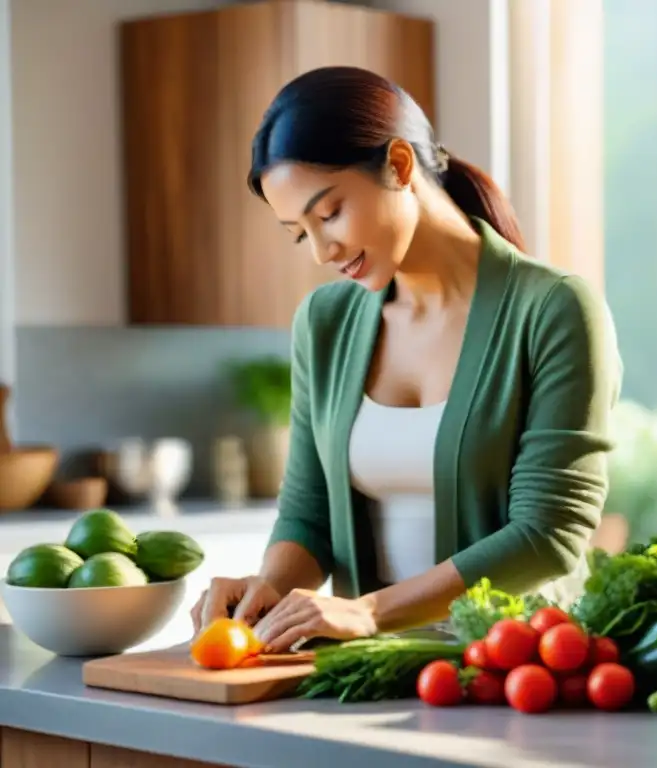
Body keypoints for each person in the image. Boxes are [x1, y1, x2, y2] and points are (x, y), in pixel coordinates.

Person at [190, 66, 622, 654]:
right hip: (365, 674)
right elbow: (309, 517)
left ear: (398, 165)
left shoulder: (553, 310)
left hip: (515, 669)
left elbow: (548, 535)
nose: (322, 251)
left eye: (330, 212)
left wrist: (370, 613)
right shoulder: (324, 323)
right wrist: (266, 592)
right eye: (299, 233)